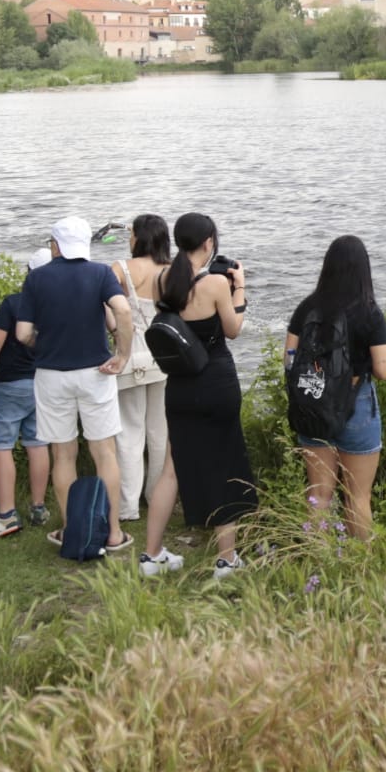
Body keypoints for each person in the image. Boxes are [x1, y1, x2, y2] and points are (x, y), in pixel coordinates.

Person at [139, 213, 256, 581]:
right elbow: (233, 330)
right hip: (216, 383)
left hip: (180, 384)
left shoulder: (162, 281)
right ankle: (227, 560)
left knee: (172, 469)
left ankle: (151, 554)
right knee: (224, 462)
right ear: (208, 243)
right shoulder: (217, 283)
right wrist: (240, 287)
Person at [15, 216, 135, 553]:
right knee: (104, 452)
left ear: (55, 245)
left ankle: (71, 530)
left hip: (52, 375)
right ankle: (113, 534)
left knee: (63, 454)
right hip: (96, 373)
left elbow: (23, 333)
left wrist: (44, 341)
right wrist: (122, 354)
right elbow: (122, 312)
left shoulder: (37, 278)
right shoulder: (100, 274)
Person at [285, 235, 386, 542]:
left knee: (319, 495)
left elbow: (289, 359)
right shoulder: (369, 312)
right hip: (356, 406)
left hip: (313, 404)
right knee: (357, 497)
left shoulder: (307, 307)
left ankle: (318, 566)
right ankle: (359, 569)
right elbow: (384, 370)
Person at [0, 248, 52, 539]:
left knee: (1, 445)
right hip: (44, 383)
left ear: (28, 274)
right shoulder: (56, 306)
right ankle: (39, 507)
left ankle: (6, 515)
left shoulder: (14, 303)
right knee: (37, 443)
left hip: (11, 384)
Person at [111, 214, 172, 524]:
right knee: (160, 432)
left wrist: (114, 333)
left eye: (131, 233)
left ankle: (127, 505)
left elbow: (107, 312)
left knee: (129, 433)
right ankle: (157, 496)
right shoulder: (174, 271)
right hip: (165, 360)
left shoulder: (120, 269)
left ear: (140, 237)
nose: (129, 238)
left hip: (130, 357)